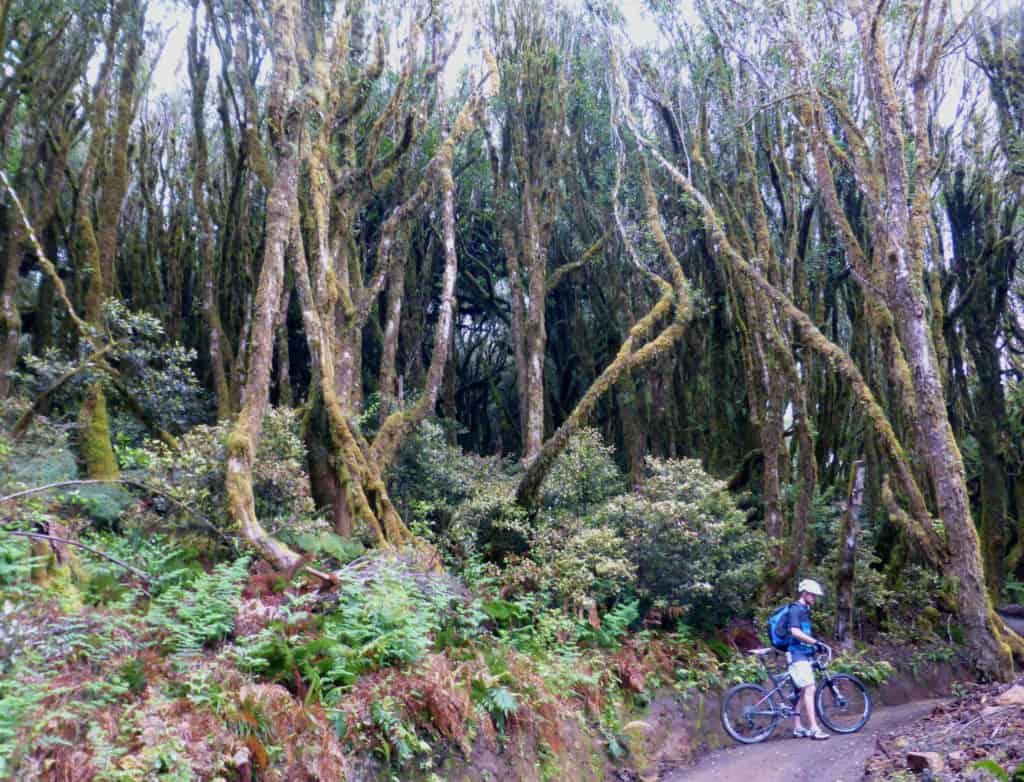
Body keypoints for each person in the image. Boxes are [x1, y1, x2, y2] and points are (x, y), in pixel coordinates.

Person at [788, 578, 829, 740]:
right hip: (796, 654)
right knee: (810, 688)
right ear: (804, 593)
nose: (814, 598)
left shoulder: (804, 610)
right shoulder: (796, 609)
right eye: (812, 595)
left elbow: (803, 633)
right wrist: (816, 642)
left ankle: (798, 727)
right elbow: (795, 632)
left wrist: (813, 647)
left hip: (802, 653)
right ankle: (813, 728)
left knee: (800, 690)